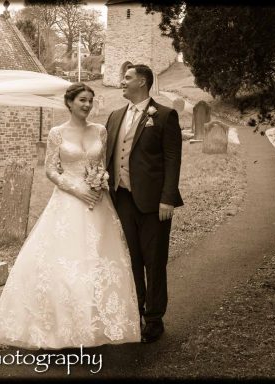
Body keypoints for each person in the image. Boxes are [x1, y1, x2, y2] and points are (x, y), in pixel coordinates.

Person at [0, 83, 141, 350]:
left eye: (90, 100)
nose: (87, 105)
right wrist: (78, 189)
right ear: (69, 102)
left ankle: (97, 325)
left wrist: (99, 181)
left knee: (99, 261)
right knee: (64, 263)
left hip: (97, 203)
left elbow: (101, 164)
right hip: (68, 202)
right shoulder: (57, 133)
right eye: (82, 100)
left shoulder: (100, 131)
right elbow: (51, 170)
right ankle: (60, 328)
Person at [105, 64, 183, 344]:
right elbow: (106, 157)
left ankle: (154, 318)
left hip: (153, 203)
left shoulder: (164, 116)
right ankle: (133, 312)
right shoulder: (114, 117)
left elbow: (173, 159)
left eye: (127, 78)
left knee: (154, 261)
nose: (121, 82)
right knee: (130, 260)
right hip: (121, 199)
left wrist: (167, 199)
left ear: (142, 82)